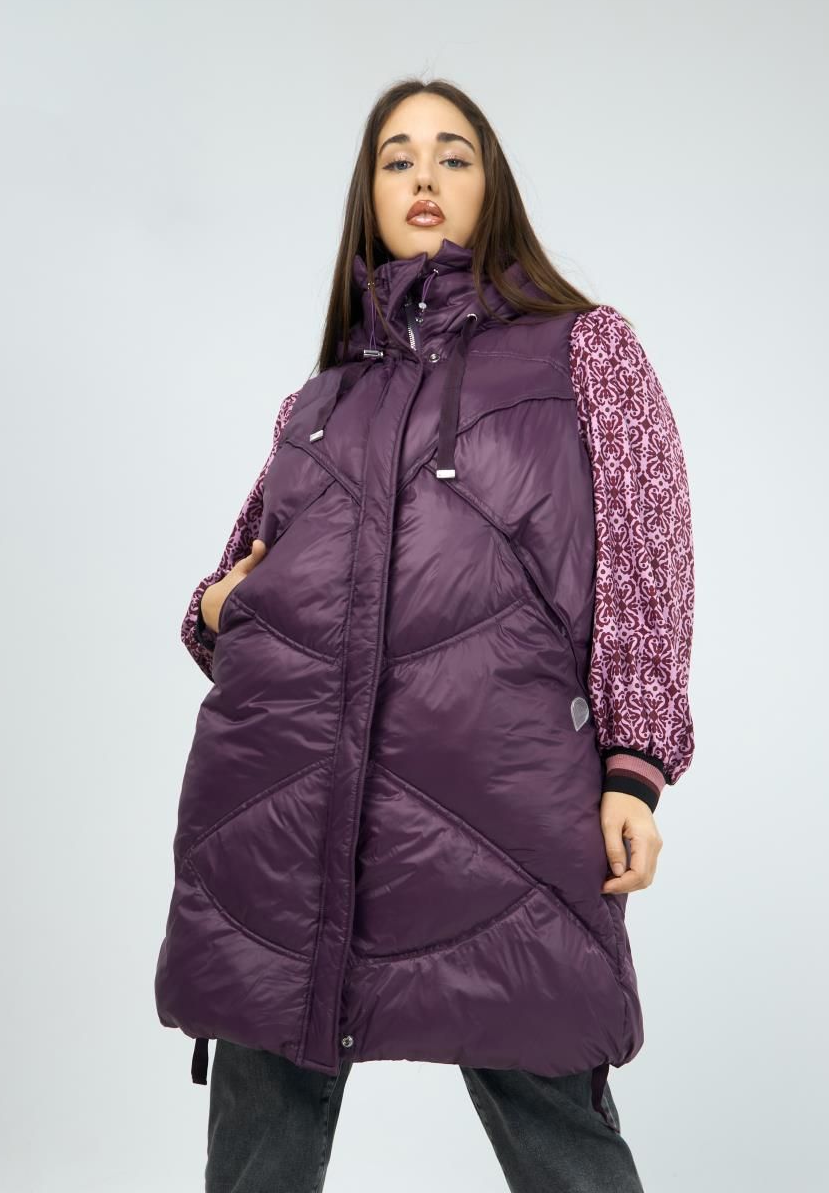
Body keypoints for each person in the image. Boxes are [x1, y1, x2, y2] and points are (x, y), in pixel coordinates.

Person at [155, 77, 695, 1193]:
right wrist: (211, 605)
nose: (425, 178)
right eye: (397, 160)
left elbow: (649, 557)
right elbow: (234, 592)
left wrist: (634, 769)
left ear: (491, 187)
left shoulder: (585, 352)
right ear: (370, 195)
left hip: (505, 804)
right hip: (286, 803)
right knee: (261, 1118)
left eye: (452, 155)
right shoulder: (321, 400)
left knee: (554, 1108)